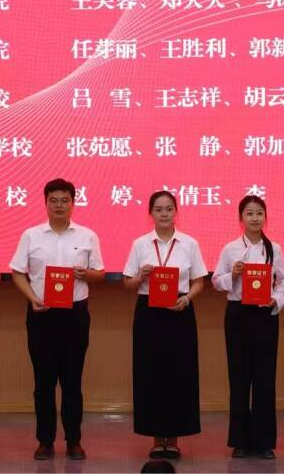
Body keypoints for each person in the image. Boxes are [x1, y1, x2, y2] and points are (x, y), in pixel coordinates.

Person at [10, 178, 106, 460]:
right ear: (46, 203)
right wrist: (31, 297)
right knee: (43, 383)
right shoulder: (31, 236)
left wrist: (85, 274)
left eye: (65, 200)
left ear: (73, 203)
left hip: (75, 315)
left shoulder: (87, 236)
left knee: (72, 382)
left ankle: (74, 440)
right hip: (42, 314)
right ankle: (45, 440)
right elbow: (17, 272)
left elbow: (99, 273)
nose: (59, 205)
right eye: (54, 200)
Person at [123, 190, 207, 459]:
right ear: (150, 213)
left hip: (179, 311)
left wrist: (187, 299)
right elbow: (128, 284)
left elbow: (199, 282)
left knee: (179, 374)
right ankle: (157, 439)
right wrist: (140, 276)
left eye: (169, 209)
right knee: (151, 374)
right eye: (158, 209)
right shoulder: (140, 244)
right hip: (149, 314)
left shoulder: (189, 244)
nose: (164, 214)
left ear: (176, 212)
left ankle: (174, 439)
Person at [212, 195, 284, 459]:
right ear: (241, 218)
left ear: (265, 217)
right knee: (239, 377)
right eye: (249, 213)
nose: (255, 218)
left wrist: (275, 299)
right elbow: (216, 281)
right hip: (237, 315)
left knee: (265, 378)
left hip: (265, 314)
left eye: (259, 213)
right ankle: (240, 441)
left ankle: (264, 441)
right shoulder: (230, 249)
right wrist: (232, 274)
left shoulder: (274, 249)